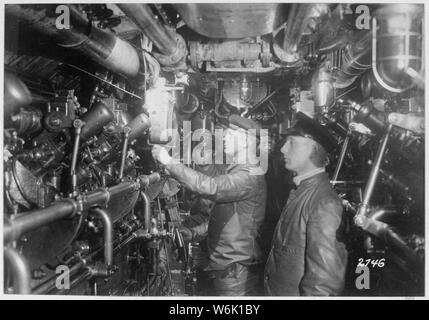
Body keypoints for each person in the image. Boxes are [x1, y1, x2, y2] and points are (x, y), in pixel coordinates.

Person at [152, 114, 267, 296]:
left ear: (247, 142)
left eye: (230, 135)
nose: (224, 138)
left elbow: (211, 187)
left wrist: (169, 162)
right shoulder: (237, 170)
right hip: (227, 265)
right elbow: (223, 220)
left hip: (235, 269)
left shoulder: (249, 176)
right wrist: (193, 233)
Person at [264, 112, 348, 296]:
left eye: (292, 142)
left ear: (314, 149)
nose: (283, 149)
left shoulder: (324, 203)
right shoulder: (300, 190)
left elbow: (323, 285)